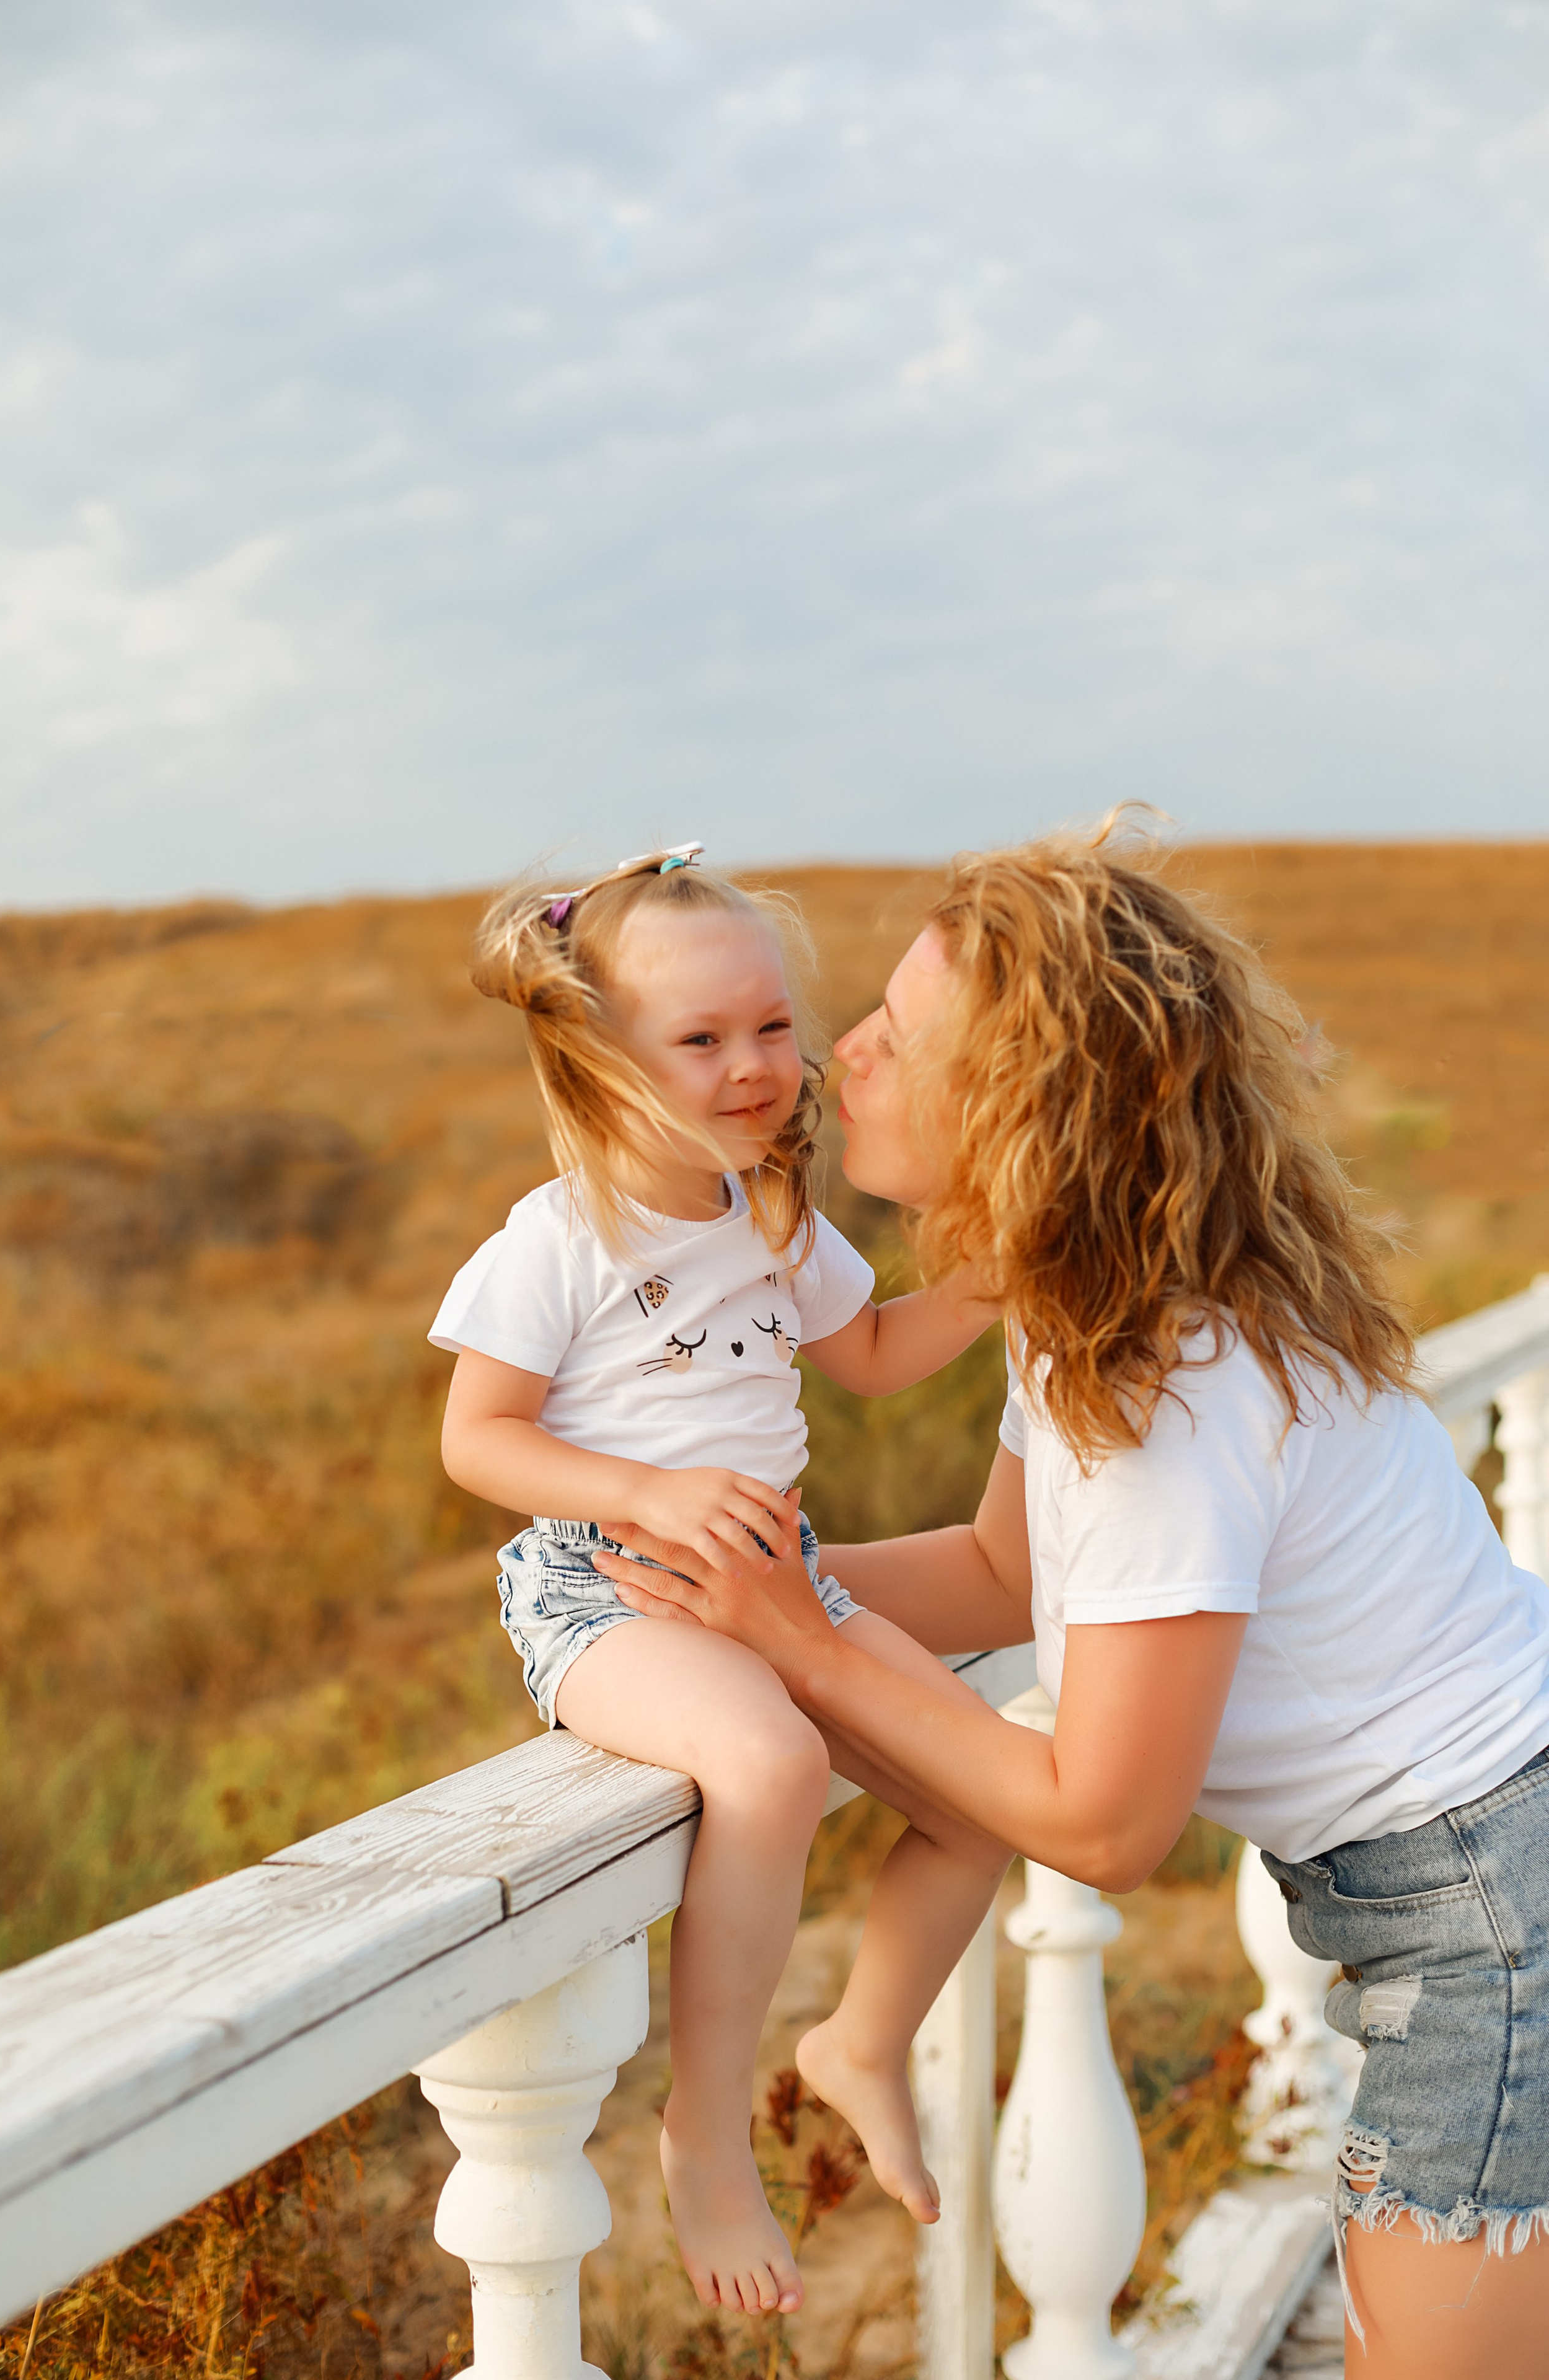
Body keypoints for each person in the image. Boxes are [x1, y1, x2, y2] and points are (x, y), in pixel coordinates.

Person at [592, 824, 1549, 2380]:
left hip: (1496, 1909)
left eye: (898, 1040)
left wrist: (809, 1643)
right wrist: (737, 1586)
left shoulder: (1164, 1381)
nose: (843, 1054)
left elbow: (1104, 1824)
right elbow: (1004, 1578)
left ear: (1016, 1111)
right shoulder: (1098, 1302)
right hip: (1480, 1872)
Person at [430, 846, 1011, 2320]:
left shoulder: (769, 1214)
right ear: (603, 1057)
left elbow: (870, 1357)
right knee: (766, 1759)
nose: (754, 1067)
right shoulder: (558, 1241)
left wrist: (997, 1278)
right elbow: (475, 1440)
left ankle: (860, 2040)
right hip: (608, 1589)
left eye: (770, 1026)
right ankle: (699, 2127)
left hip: (771, 1574)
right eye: (700, 1040)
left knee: (986, 1796)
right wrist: (645, 1491)